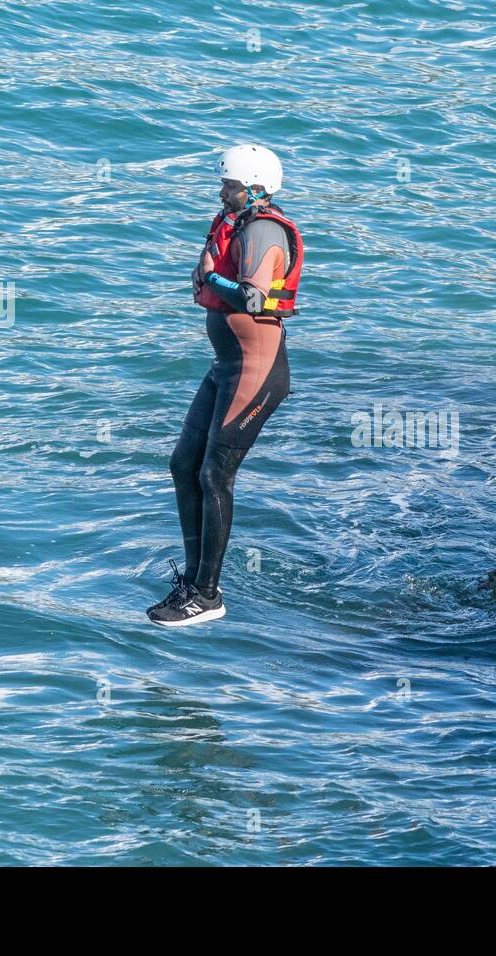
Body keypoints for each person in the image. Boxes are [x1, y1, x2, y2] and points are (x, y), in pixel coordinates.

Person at [147, 144, 303, 626]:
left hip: (256, 371)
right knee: (183, 464)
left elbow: (255, 297)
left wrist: (213, 279)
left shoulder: (263, 229)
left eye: (230, 186)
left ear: (256, 188)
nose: (222, 193)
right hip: (227, 366)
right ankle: (191, 581)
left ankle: (208, 596)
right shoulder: (237, 223)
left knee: (215, 475)